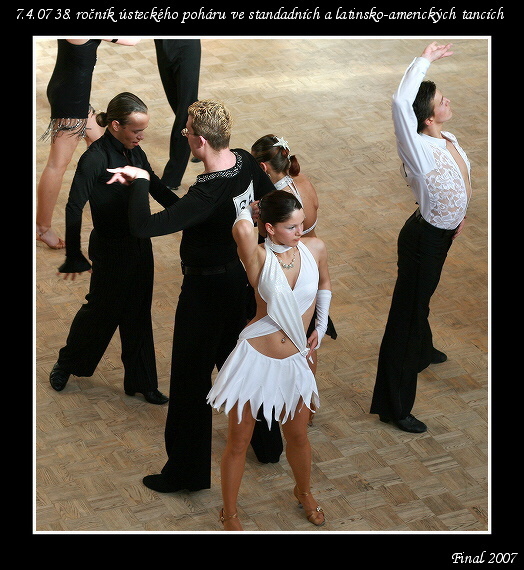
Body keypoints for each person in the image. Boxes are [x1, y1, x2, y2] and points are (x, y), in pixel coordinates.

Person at [108, 100, 277, 493]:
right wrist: (149, 175)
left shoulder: (207, 191)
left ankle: (187, 473)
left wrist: (140, 183)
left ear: (200, 141)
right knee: (240, 365)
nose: (184, 136)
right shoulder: (243, 162)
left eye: (185, 132)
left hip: (205, 294)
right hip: (240, 282)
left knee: (188, 382)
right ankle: (268, 445)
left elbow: (142, 227)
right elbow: (197, 210)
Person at [207, 189, 332, 530]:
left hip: (294, 358)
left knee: (298, 436)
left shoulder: (315, 248)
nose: (301, 232)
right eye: (292, 227)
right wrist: (251, 208)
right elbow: (242, 229)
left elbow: (324, 284)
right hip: (254, 359)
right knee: (239, 442)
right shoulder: (258, 257)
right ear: (271, 228)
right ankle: (229, 512)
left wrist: (319, 327)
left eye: (302, 224)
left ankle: (303, 491)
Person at [370, 42, 472, 433]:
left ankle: (424, 347)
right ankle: (394, 406)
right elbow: (400, 103)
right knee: (406, 318)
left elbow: (454, 185)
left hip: (442, 234)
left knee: (420, 298)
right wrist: (424, 60)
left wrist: (458, 216)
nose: (447, 102)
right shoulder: (418, 148)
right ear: (427, 118)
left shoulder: (445, 139)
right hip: (424, 240)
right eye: (441, 100)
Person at [49, 92, 174, 405]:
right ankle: (67, 364)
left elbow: (155, 185)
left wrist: (192, 211)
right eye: (136, 130)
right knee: (101, 311)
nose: (142, 136)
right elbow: (74, 205)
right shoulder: (94, 159)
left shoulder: (136, 152)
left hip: (138, 244)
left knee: (138, 312)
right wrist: (74, 253)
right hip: (109, 247)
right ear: (116, 125)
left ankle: (142, 382)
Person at [251, 134, 337, 424]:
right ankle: (308, 408)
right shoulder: (305, 183)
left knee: (290, 340)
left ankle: (279, 403)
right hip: (312, 268)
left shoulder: (274, 203)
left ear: (263, 167)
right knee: (310, 342)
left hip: (292, 271)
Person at [36, 38, 141, 249]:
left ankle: (112, 203)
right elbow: (131, 40)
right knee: (57, 165)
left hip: (72, 93)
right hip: (71, 100)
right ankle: (41, 228)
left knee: (102, 144)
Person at [154, 39, 202, 191]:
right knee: (179, 103)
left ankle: (172, 177)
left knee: (185, 111)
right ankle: (208, 137)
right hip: (162, 45)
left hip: (186, 46)